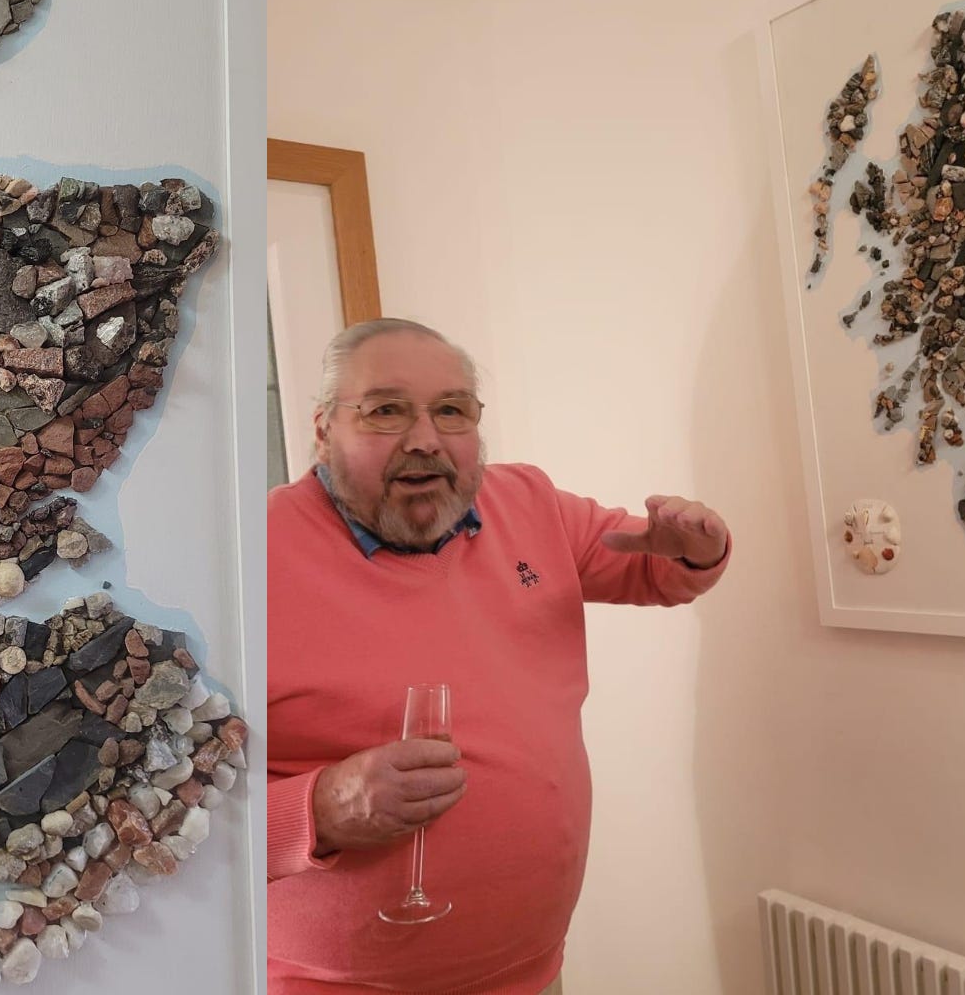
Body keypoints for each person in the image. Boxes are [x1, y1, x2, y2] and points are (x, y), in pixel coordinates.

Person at [267, 318, 731, 994]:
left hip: (535, 973)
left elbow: (652, 570)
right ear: (322, 428)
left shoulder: (530, 502)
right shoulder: (249, 562)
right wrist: (316, 811)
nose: (425, 439)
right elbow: (155, 807)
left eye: (451, 410)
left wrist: (694, 547)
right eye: (386, 410)